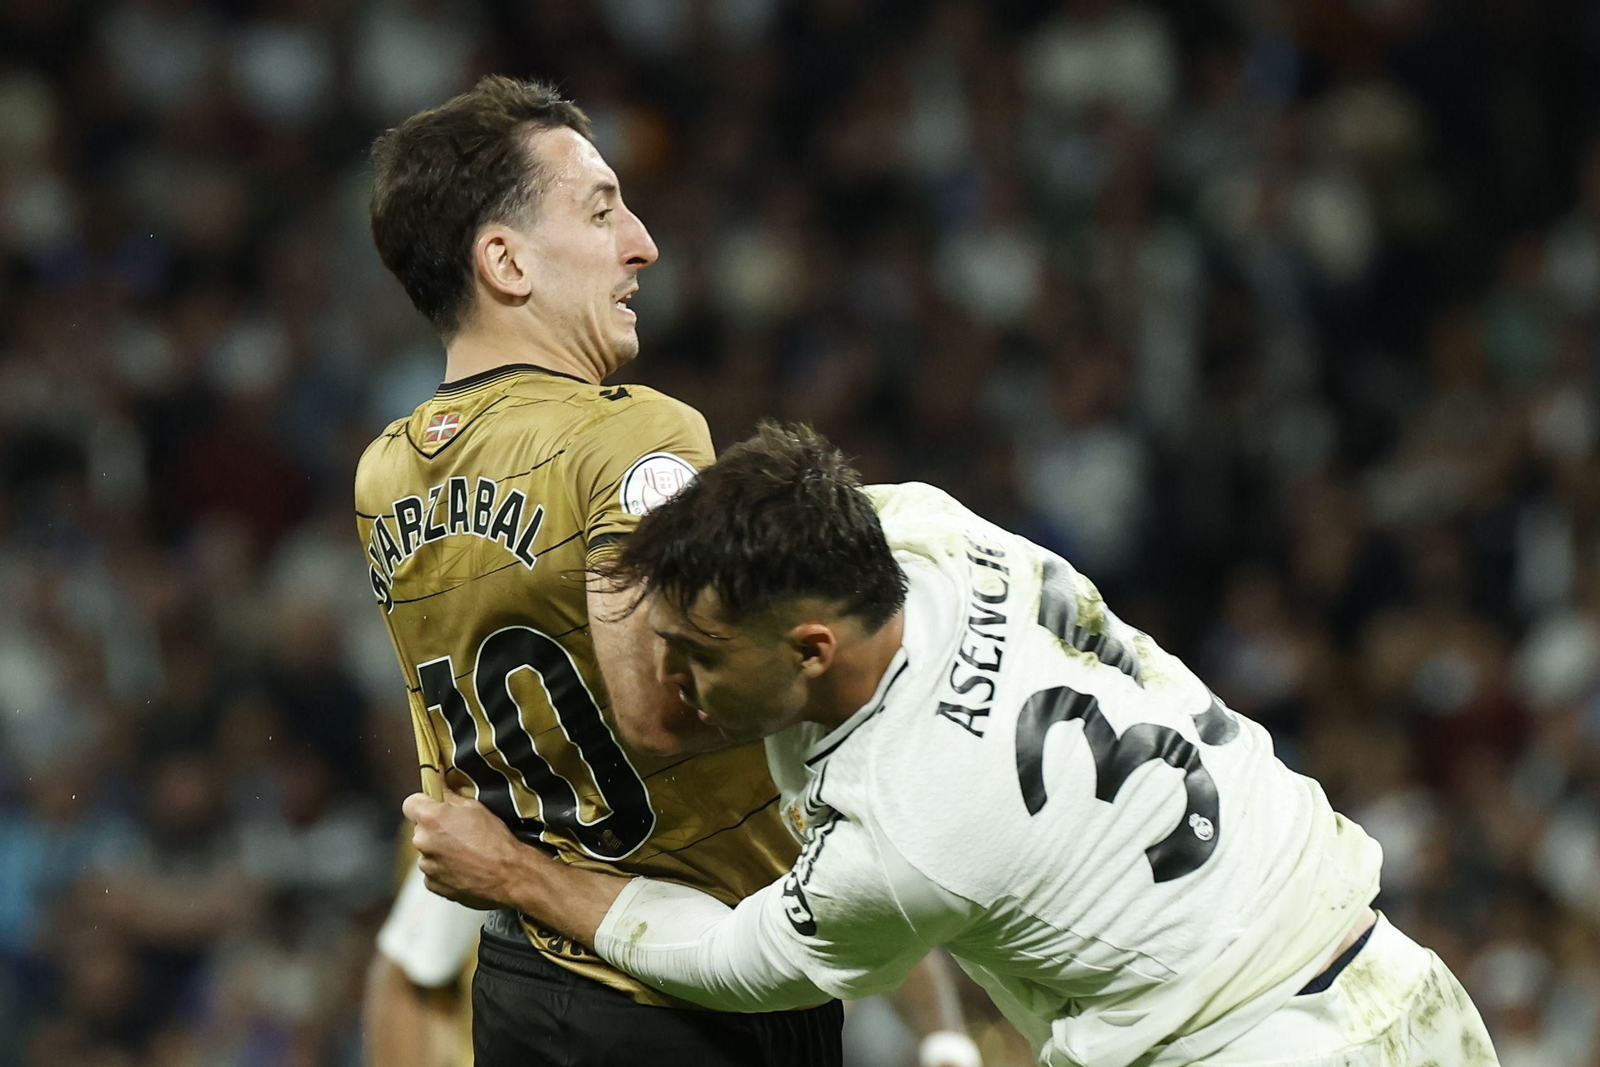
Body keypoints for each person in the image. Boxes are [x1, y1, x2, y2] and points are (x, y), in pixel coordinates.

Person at [406, 422, 1503, 1067]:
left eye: (696, 653)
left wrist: (516, 873)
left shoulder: (902, 823)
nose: (673, 680)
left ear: (811, 648)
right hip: (1395, 981)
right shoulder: (925, 530)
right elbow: (799, 510)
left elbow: (732, 962)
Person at [357, 76, 978, 1067]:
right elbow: (654, 702)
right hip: (692, 990)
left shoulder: (385, 472)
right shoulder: (636, 433)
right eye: (601, 210)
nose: (640, 242)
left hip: (522, 982)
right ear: (504, 260)